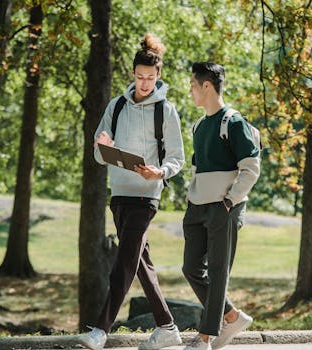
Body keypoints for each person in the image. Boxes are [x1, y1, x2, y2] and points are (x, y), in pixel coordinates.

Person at [80, 33, 185, 350]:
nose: (144, 83)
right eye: (140, 77)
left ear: (159, 76)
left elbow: (177, 158)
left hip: (147, 196)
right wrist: (103, 146)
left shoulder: (165, 111)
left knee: (124, 261)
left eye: (150, 78)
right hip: (120, 196)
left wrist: (160, 171)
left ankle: (101, 329)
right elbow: (98, 154)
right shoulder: (116, 106)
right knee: (139, 262)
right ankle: (167, 326)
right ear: (133, 74)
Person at [181, 62, 260, 350]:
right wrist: (191, 199)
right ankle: (232, 315)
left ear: (206, 86)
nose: (190, 91)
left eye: (193, 85)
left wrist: (230, 200)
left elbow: (251, 168)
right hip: (197, 207)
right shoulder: (199, 125)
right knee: (191, 268)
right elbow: (198, 169)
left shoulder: (233, 121)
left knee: (217, 271)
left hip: (224, 207)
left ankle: (205, 337)